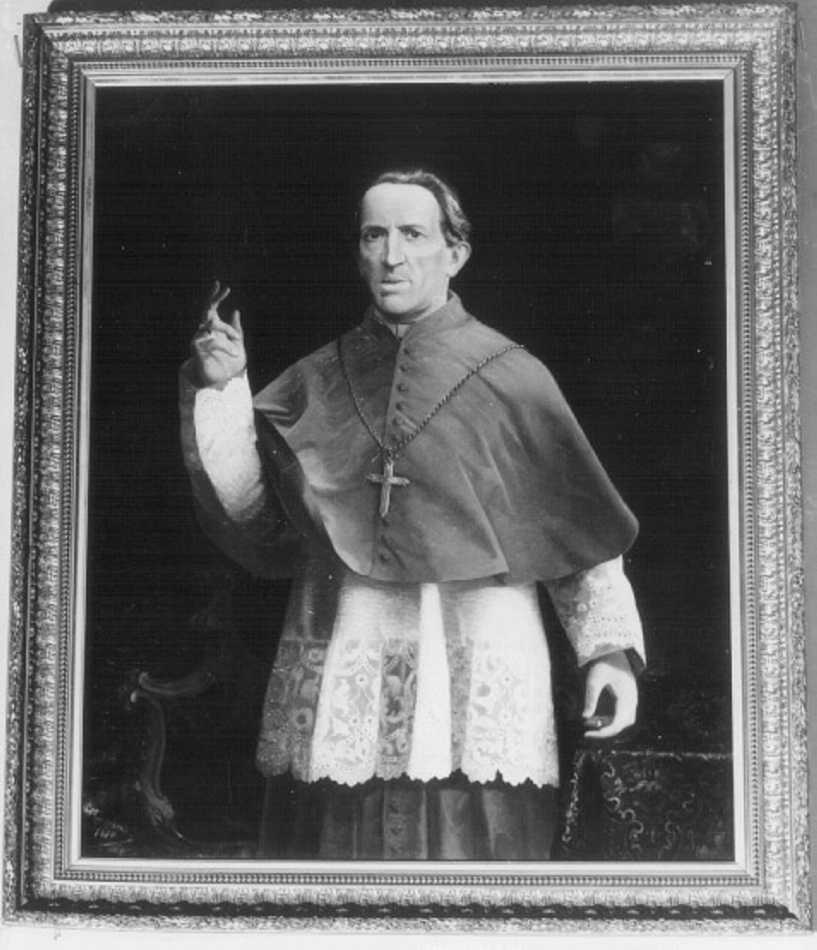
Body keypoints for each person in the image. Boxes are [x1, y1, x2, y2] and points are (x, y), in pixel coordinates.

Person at [179, 168, 645, 860]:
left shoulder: (513, 376)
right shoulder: (315, 378)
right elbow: (257, 521)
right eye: (374, 235)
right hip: (345, 658)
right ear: (358, 252)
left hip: (475, 667)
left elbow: (576, 529)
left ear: (455, 253)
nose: (392, 256)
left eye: (413, 234)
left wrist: (608, 653)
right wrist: (222, 392)